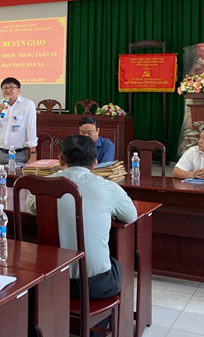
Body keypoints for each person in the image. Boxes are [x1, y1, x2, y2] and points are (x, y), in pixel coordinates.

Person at [26, 135, 137, 332]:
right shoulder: (109, 188)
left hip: (50, 281)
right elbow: (130, 216)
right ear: (95, 163)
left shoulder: (41, 186)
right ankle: (96, 329)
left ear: (60, 160)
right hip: (92, 286)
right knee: (117, 265)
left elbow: (32, 207)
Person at [0, 77, 38, 165]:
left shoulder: (28, 104)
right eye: (5, 88)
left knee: (17, 174)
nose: (8, 90)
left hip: (18, 154)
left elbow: (31, 129)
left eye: (11, 87)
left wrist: (33, 154)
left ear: (18, 90)